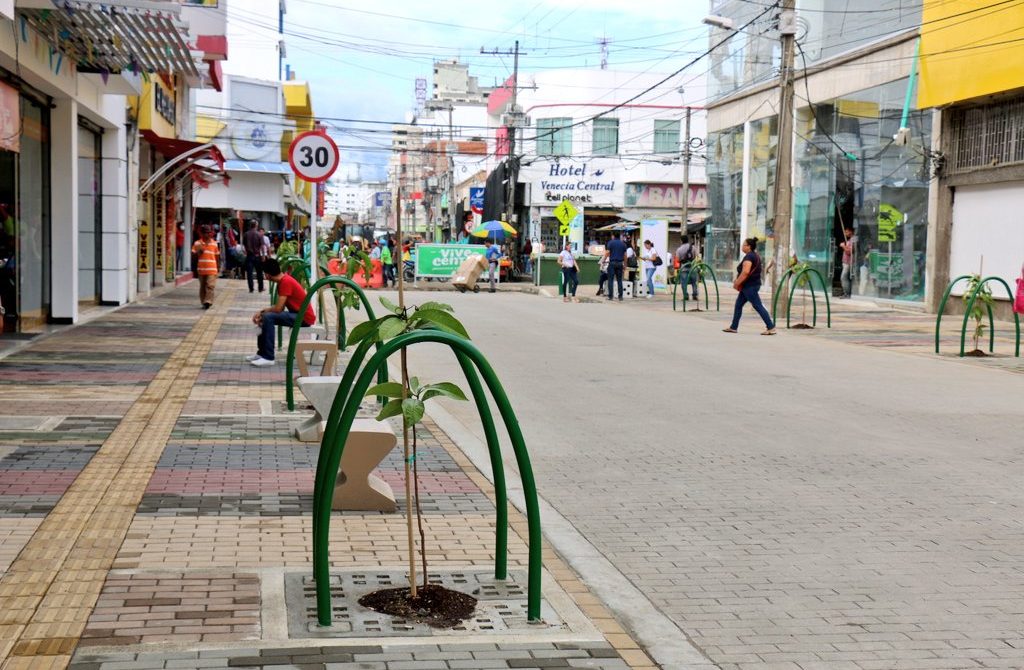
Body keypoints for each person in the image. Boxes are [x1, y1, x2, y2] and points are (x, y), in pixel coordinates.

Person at [247, 257, 316, 367]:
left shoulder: (285, 282)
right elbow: (281, 308)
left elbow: (278, 309)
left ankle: (269, 357)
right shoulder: (283, 281)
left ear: (267, 275)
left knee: (268, 317)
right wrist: (262, 312)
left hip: (304, 318)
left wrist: (263, 312)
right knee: (265, 317)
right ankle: (261, 353)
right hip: (297, 315)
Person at [723, 237, 777, 335]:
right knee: (738, 305)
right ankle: (733, 327)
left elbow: (745, 272)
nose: (742, 246)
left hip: (749, 286)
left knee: (757, 305)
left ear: (749, 246)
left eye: (743, 245)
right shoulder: (754, 255)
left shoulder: (749, 257)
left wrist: (737, 283)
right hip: (750, 285)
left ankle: (770, 327)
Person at [191, 224, 220, 309]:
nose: (206, 235)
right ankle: (204, 301)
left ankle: (208, 301)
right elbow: (193, 256)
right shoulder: (197, 243)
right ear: (201, 233)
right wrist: (198, 253)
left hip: (212, 269)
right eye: (204, 233)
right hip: (201, 269)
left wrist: (218, 267)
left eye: (208, 233)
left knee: (210, 285)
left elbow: (217, 256)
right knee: (203, 286)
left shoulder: (214, 244)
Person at [243, 220, 265, 293]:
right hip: (257, 255)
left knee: (249, 273)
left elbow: (244, 245)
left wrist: (246, 252)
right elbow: (262, 246)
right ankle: (260, 288)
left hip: (249, 256)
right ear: (256, 225)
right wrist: (263, 255)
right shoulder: (259, 234)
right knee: (259, 272)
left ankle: (251, 288)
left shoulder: (246, 234)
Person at [674, 235, 699, 300]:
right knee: (694, 282)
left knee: (683, 282)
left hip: (684, 267)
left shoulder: (679, 249)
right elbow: (696, 256)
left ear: (681, 241)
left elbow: (677, 259)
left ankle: (686, 296)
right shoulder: (693, 247)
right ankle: (695, 295)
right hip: (692, 266)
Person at [605, 232, 627, 301]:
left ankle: (610, 296)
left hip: (612, 263)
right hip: (620, 263)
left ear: (613, 236)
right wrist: (625, 265)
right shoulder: (623, 244)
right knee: (619, 280)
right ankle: (620, 296)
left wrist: (603, 260)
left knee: (610, 280)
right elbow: (625, 255)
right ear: (619, 236)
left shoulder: (610, 243)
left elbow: (608, 252)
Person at [839, 225, 856, 298]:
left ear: (850, 231)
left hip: (848, 263)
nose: (845, 233)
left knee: (843, 277)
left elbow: (849, 252)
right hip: (846, 262)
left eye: (846, 231)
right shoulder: (850, 240)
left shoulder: (853, 240)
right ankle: (846, 293)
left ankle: (847, 294)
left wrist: (843, 246)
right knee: (845, 278)